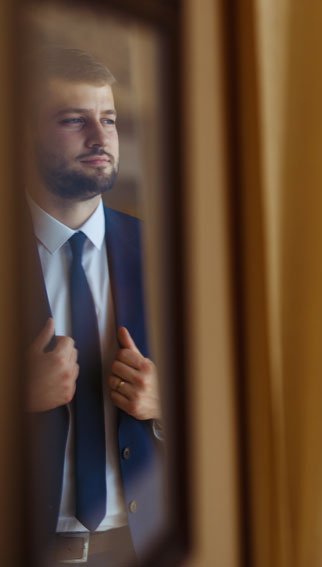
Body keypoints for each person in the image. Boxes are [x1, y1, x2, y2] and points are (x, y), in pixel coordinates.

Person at [23, 46, 165, 566]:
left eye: (108, 119)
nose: (99, 137)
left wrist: (165, 401)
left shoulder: (167, 257)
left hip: (146, 543)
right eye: (72, 120)